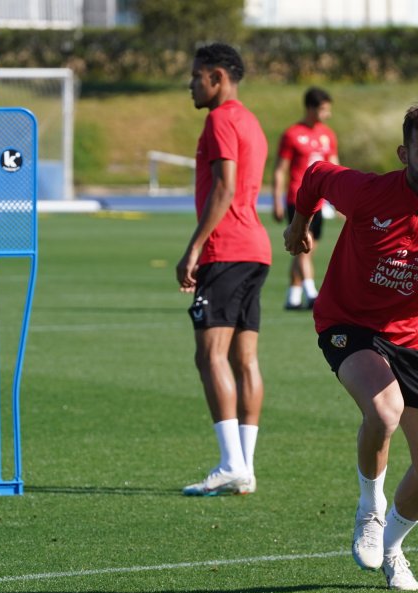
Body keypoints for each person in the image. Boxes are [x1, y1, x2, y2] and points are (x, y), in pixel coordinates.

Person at [283, 103, 418, 591]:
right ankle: (369, 510)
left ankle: (394, 547)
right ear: (405, 154)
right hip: (348, 323)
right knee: (384, 411)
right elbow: (315, 175)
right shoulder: (366, 192)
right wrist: (299, 225)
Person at [177, 43, 270, 497]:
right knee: (244, 359)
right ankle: (244, 467)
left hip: (226, 249)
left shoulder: (219, 120)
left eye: (196, 76)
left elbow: (225, 187)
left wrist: (194, 248)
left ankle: (232, 463)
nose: (191, 84)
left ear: (217, 77)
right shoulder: (251, 120)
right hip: (256, 249)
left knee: (209, 355)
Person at [272, 86, 339, 310]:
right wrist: (275, 199)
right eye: (323, 109)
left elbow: (336, 167)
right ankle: (311, 292)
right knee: (303, 245)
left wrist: (340, 199)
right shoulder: (292, 134)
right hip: (297, 199)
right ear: (310, 108)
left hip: (321, 200)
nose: (327, 114)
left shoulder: (328, 134)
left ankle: (293, 296)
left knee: (305, 249)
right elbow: (280, 169)